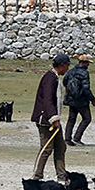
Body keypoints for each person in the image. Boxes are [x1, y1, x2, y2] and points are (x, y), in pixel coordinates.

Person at [30, 53, 70, 182]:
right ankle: (36, 177)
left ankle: (62, 176)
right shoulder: (50, 78)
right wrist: (54, 118)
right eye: (67, 66)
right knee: (46, 148)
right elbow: (47, 100)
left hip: (53, 118)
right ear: (62, 65)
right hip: (46, 120)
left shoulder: (55, 77)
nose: (68, 69)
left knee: (60, 147)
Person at [64, 54, 95, 146]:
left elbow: (64, 81)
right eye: (88, 63)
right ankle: (77, 138)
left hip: (71, 99)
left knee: (71, 119)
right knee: (87, 118)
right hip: (81, 100)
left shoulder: (71, 71)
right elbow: (86, 88)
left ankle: (67, 139)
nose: (88, 65)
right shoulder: (84, 73)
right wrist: (92, 100)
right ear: (84, 63)